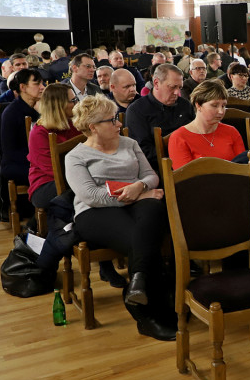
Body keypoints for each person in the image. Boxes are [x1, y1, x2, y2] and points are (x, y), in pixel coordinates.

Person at [64, 95, 173, 341]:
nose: (118, 124)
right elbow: (91, 196)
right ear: (93, 127)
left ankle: (137, 286)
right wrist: (138, 194)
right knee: (144, 237)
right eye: (111, 120)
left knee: (154, 211)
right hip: (95, 214)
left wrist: (140, 187)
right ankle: (149, 314)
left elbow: (151, 176)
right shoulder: (75, 157)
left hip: (136, 204)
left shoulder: (129, 143)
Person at [124, 63, 195, 171]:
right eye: (172, 87)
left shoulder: (185, 106)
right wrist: (176, 158)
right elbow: (143, 151)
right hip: (157, 169)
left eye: (180, 87)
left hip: (191, 162)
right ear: (156, 83)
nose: (177, 92)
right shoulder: (137, 110)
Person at [168, 79, 246, 169]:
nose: (221, 111)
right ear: (198, 105)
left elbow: (243, 169)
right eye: (214, 105)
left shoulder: (232, 131)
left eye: (223, 106)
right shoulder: (179, 137)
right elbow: (185, 179)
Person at [27, 84, 80, 209]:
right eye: (73, 101)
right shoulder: (39, 133)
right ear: (59, 105)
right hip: (46, 185)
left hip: (72, 176)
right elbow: (53, 169)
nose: (77, 104)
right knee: (85, 188)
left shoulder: (74, 124)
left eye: (76, 99)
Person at [0, 69, 45, 187]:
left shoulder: (41, 108)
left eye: (42, 83)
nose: (42, 87)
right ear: (23, 87)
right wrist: (40, 160)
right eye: (37, 84)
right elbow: (10, 151)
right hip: (18, 163)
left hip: (37, 159)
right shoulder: (12, 113)